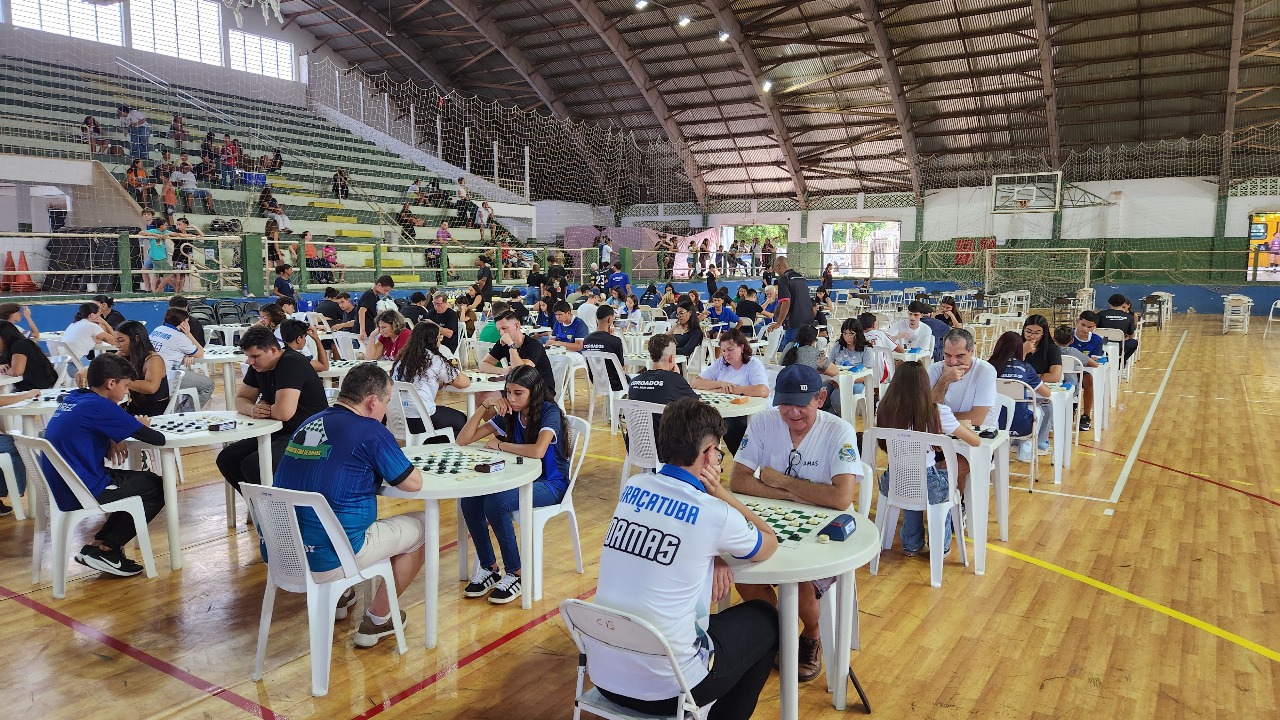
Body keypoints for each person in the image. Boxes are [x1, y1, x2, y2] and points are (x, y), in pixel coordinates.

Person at [594, 396, 779, 719]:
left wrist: (712, 554)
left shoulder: (634, 486)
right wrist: (721, 493)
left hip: (603, 675)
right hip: (670, 690)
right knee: (766, 618)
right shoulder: (715, 512)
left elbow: (670, 536)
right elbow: (769, 542)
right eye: (718, 453)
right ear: (708, 454)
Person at [271, 364, 426, 647]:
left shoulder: (310, 422)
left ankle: (341, 597)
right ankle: (378, 620)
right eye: (387, 402)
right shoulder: (370, 430)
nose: (385, 411)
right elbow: (413, 483)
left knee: (331, 512)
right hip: (329, 559)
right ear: (372, 401)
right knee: (422, 526)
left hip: (283, 552)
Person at [730, 363, 862, 680]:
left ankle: (812, 634)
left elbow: (841, 498)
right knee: (744, 577)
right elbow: (738, 481)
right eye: (785, 404)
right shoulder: (763, 422)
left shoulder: (839, 431)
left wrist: (780, 481)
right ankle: (781, 629)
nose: (792, 412)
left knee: (802, 585)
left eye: (801, 404)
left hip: (825, 530)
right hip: (773, 521)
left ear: (820, 398)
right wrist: (797, 495)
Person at [41, 354, 166, 576]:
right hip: (80, 489)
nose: (127, 392)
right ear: (111, 383)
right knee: (157, 487)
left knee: (144, 482)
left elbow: (85, 427)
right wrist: (141, 423)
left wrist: (111, 437)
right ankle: (108, 549)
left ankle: (101, 547)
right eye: (126, 386)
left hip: (62, 483)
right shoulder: (101, 406)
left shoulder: (75, 397)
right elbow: (157, 439)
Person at [455, 366, 570, 604]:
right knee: (470, 501)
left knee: (496, 503)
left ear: (534, 392)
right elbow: (463, 440)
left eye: (518, 393)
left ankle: (516, 573)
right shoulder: (509, 412)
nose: (512, 398)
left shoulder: (549, 411)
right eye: (508, 392)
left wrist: (501, 445)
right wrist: (485, 405)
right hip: (523, 480)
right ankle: (489, 567)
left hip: (551, 485)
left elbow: (538, 451)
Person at [875, 361, 980, 556]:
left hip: (893, 481)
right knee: (943, 479)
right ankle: (940, 546)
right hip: (927, 483)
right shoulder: (936, 411)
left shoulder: (883, 407)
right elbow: (975, 441)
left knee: (912, 483)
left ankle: (912, 543)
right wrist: (961, 426)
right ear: (924, 385)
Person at [216, 326, 328, 496]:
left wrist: (265, 406)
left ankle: (278, 508)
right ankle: (258, 506)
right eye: (248, 357)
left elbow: (284, 412)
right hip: (280, 430)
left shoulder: (291, 363)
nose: (250, 362)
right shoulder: (260, 367)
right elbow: (240, 400)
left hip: (311, 434)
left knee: (254, 466)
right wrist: (253, 409)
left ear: (273, 350)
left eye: (255, 356)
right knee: (227, 459)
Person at [691, 328, 768, 454]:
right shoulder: (721, 363)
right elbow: (695, 382)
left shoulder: (753, 364)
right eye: (723, 351)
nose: (726, 354)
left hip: (746, 412)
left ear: (742, 347)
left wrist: (732, 390)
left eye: (730, 350)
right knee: (698, 422)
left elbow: (763, 390)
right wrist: (721, 384)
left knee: (732, 428)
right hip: (724, 407)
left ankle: (744, 459)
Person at [391, 321, 470, 439]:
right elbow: (463, 382)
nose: (440, 341)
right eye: (440, 337)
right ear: (433, 340)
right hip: (421, 417)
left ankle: (424, 441)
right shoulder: (434, 359)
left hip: (398, 418)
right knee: (463, 421)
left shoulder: (402, 359)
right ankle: (432, 442)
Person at [988, 331, 1052, 463]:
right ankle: (1025, 452)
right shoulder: (1026, 368)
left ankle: (996, 453)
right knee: (1037, 409)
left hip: (992, 425)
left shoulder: (988, 367)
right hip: (1020, 425)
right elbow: (1047, 393)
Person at [929, 328, 998, 429]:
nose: (953, 361)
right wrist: (944, 380)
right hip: (944, 429)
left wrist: (940, 419)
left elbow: (977, 418)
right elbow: (928, 410)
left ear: (972, 351)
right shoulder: (935, 369)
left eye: (960, 356)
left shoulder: (985, 371)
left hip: (979, 431)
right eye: (948, 355)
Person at [478, 310, 557, 395]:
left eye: (504, 328)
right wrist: (503, 371)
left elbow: (522, 372)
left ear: (517, 326)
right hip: (516, 389)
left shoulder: (533, 345)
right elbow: (483, 365)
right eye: (499, 330)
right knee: (481, 395)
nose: (501, 333)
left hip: (540, 391)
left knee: (490, 397)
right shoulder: (503, 343)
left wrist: (511, 345)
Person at [148, 308, 213, 408]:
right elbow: (200, 353)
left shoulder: (157, 329)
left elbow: (172, 348)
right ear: (183, 323)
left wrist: (187, 354)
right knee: (208, 385)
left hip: (153, 373)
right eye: (187, 322)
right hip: (170, 376)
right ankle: (185, 413)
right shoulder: (179, 337)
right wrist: (188, 333)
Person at [780, 323, 840, 410]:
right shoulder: (815, 353)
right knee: (828, 394)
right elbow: (835, 371)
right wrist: (819, 369)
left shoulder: (788, 347)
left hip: (784, 392)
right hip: (805, 395)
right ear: (814, 340)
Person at [1067, 311, 1106, 431]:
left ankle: (1086, 416)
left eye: (1089, 327)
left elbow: (1094, 361)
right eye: (1083, 325)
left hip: (1084, 372)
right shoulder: (1067, 334)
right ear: (1077, 322)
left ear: (1094, 327)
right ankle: (1069, 408)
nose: (1085, 329)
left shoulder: (1097, 340)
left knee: (1088, 380)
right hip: (1065, 371)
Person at [769, 256, 815, 349]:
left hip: (795, 323)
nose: (776, 272)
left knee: (790, 350)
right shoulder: (801, 278)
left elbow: (786, 302)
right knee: (803, 349)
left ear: (778, 266)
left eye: (775, 269)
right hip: (809, 322)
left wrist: (779, 322)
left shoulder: (784, 279)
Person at [0, 320, 58, 391]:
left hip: (39, 387)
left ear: (4, 336)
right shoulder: (7, 349)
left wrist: (5, 371)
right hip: (27, 386)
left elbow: (17, 371)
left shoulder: (20, 345)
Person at [582, 304, 626, 392]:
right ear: (609, 320)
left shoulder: (586, 339)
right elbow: (621, 366)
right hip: (615, 382)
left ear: (596, 319)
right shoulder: (615, 340)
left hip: (596, 380)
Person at [1021, 314, 1063, 383]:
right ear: (1023, 330)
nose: (1032, 336)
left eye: (1037, 333)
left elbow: (1055, 377)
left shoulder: (1052, 349)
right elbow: (1009, 371)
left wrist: (1025, 377)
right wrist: (1023, 352)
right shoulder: (1015, 345)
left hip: (1043, 385)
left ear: (1043, 334)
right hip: (1019, 385)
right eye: (1028, 332)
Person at [1097, 294, 1138, 361]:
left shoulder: (1100, 314)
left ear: (1109, 304)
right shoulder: (1129, 317)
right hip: (1120, 346)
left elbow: (1095, 330)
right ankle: (1121, 361)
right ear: (1122, 303)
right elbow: (1131, 335)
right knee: (1134, 343)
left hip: (1102, 344)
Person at [357, 275, 395, 342]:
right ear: (379, 285)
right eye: (385, 290)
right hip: (365, 332)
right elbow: (361, 311)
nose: (386, 293)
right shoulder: (370, 295)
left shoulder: (376, 296)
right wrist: (362, 330)